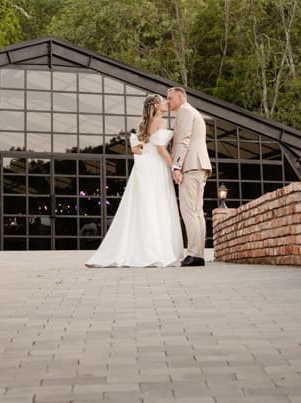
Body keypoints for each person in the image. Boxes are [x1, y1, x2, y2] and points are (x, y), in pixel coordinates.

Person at [85, 94, 184, 268]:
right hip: (156, 166)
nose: (166, 103)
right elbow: (160, 148)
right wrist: (173, 166)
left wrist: (149, 152)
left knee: (143, 207)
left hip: (144, 167)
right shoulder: (160, 121)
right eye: (163, 101)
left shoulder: (143, 124)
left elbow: (137, 149)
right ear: (155, 106)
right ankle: (156, 251)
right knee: (158, 204)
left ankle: (142, 250)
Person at [166, 86, 212, 267]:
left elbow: (183, 140)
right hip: (199, 165)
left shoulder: (185, 111)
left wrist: (176, 166)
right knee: (197, 211)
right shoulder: (193, 111)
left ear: (180, 97)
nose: (168, 101)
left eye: (170, 98)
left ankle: (194, 254)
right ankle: (198, 254)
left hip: (191, 166)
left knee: (189, 211)